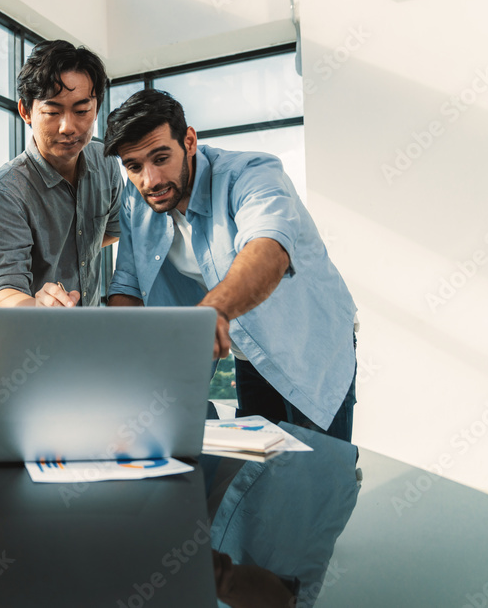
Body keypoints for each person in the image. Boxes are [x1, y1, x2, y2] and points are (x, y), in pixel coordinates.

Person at [105, 89, 357, 441]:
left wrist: (210, 314)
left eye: (161, 158)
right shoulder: (137, 199)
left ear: (189, 141)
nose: (151, 180)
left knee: (319, 466)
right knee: (260, 463)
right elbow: (128, 286)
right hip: (248, 353)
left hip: (310, 347)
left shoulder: (250, 174)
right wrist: (118, 358)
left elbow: (268, 250)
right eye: (134, 166)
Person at [0, 39, 124, 308]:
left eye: (81, 111)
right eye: (52, 112)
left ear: (96, 109)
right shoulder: (5, 193)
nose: (68, 127)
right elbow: (5, 291)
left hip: (91, 327)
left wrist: (73, 249)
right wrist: (39, 308)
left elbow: (113, 230)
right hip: (35, 331)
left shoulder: (106, 163)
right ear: (26, 111)